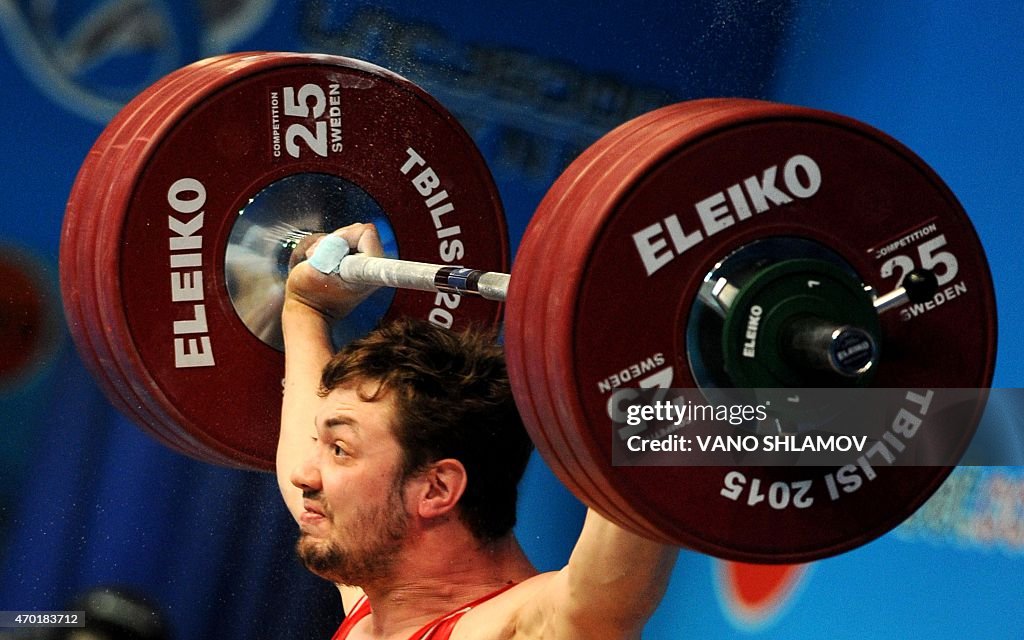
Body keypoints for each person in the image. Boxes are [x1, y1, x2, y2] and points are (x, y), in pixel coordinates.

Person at [277, 223, 678, 640]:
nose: (304, 475)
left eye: (340, 450)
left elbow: (669, 434)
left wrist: (660, 356)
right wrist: (306, 306)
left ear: (436, 488)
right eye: (324, 446)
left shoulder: (527, 629)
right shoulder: (377, 596)